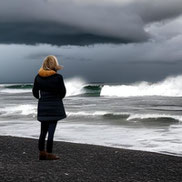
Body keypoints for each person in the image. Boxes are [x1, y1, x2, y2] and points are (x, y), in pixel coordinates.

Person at [32, 55, 66, 160]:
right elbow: (63, 93)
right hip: (54, 106)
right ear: (54, 64)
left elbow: (35, 92)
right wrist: (56, 99)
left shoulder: (38, 77)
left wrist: (42, 99)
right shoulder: (58, 77)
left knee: (43, 131)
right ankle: (49, 153)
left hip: (43, 106)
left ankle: (42, 153)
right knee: (51, 130)